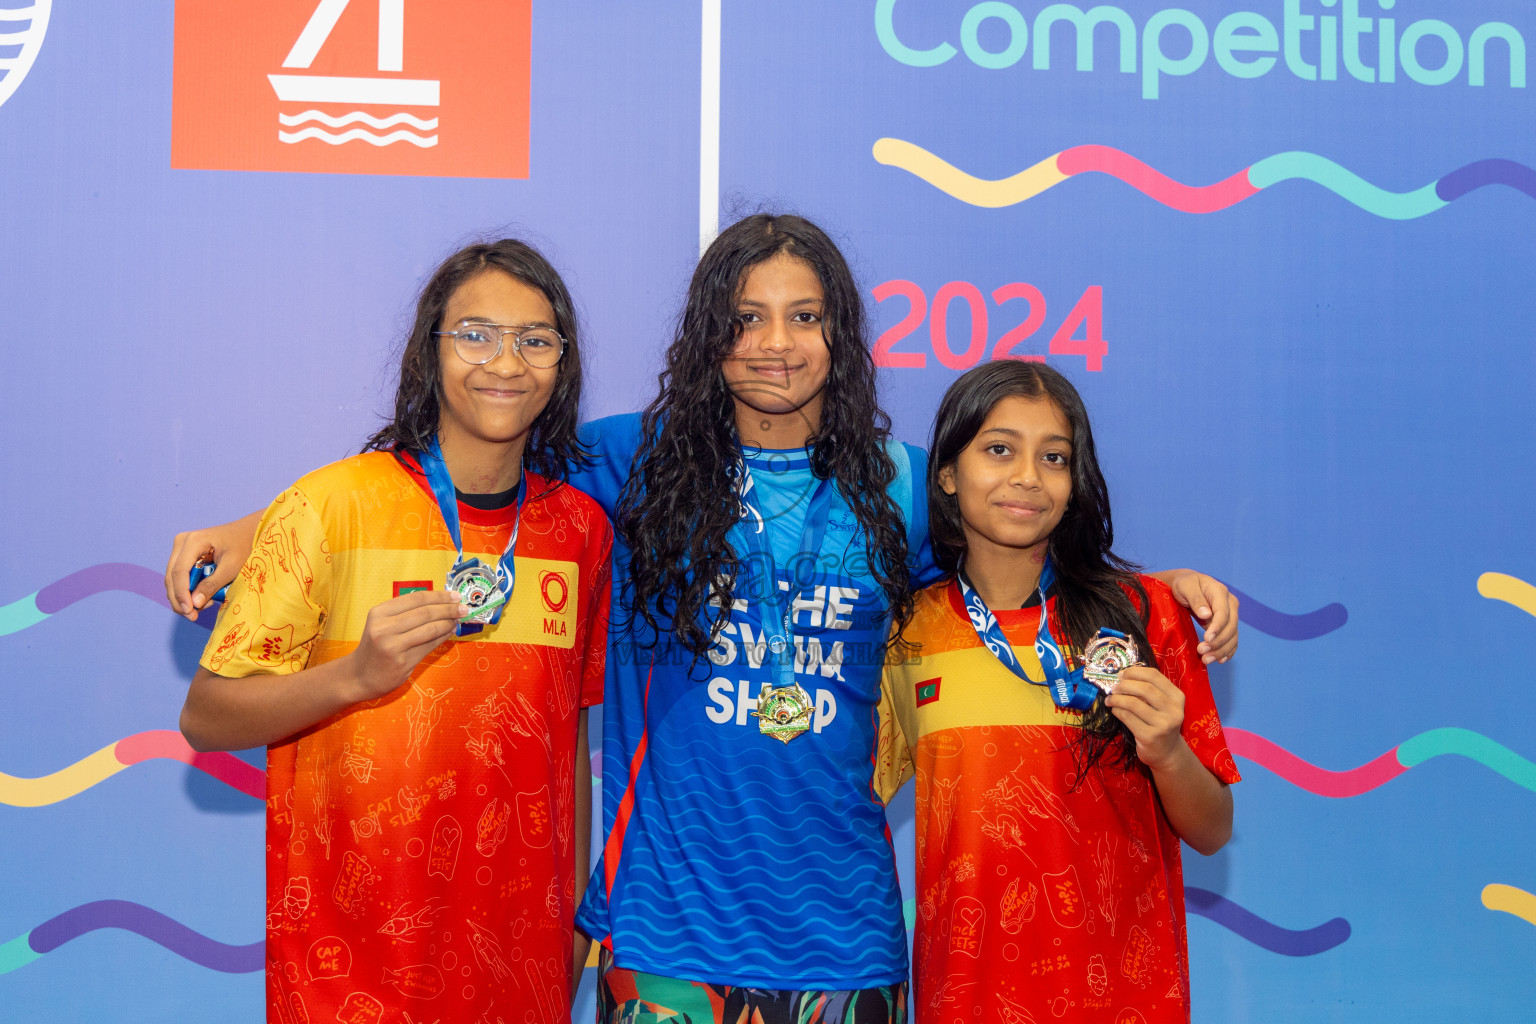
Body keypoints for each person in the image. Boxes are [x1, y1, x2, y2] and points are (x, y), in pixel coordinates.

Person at [165, 214, 1238, 1023]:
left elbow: (1020, 534)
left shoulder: (903, 485)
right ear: (708, 335)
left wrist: (1157, 580)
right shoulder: (632, 461)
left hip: (845, 940)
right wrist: (251, 521)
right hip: (666, 934)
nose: (776, 343)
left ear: (841, 335)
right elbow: (455, 464)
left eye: (805, 316)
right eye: (747, 318)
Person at [177, 239, 612, 1024]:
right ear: (430, 352)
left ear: (562, 364)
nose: (505, 363)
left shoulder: (580, 529)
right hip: (347, 970)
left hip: (520, 969)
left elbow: (567, 744)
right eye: (475, 334)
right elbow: (206, 716)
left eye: (535, 340)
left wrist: (572, 919)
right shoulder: (329, 506)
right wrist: (353, 678)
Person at [876, 359, 1239, 1023]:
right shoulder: (907, 632)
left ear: (1076, 484)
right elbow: (845, 802)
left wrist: (1166, 751)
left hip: (1126, 1001)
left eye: (1054, 457)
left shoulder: (1147, 613)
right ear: (948, 475)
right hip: (966, 999)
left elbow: (1214, 829)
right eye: (998, 450)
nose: (1027, 478)